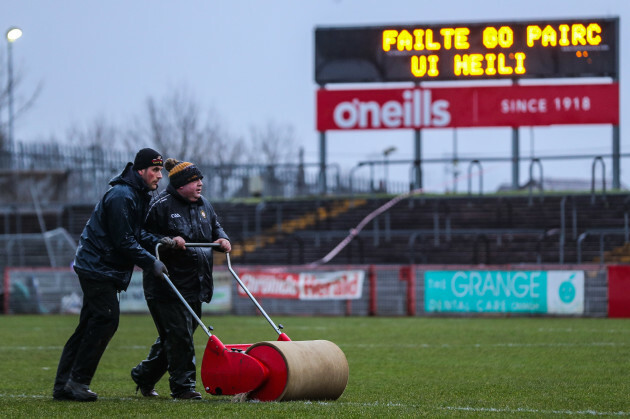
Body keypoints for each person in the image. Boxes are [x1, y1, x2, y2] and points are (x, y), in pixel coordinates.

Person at [53, 148, 172, 402]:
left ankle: (64, 384)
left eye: (160, 170)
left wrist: (160, 241)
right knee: (106, 319)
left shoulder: (137, 194)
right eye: (155, 170)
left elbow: (137, 234)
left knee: (88, 324)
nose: (159, 176)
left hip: (100, 266)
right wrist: (152, 262)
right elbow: (124, 241)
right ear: (141, 171)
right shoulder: (122, 195)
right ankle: (77, 382)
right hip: (97, 266)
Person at [131, 158, 231, 400]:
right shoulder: (160, 205)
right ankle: (183, 387)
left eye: (200, 180)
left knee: (176, 336)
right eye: (195, 180)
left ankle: (144, 375)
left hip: (196, 283)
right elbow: (142, 235)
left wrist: (222, 239)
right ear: (181, 185)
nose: (200, 184)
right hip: (167, 285)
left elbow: (215, 227)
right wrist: (167, 241)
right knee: (179, 337)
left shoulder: (205, 204)